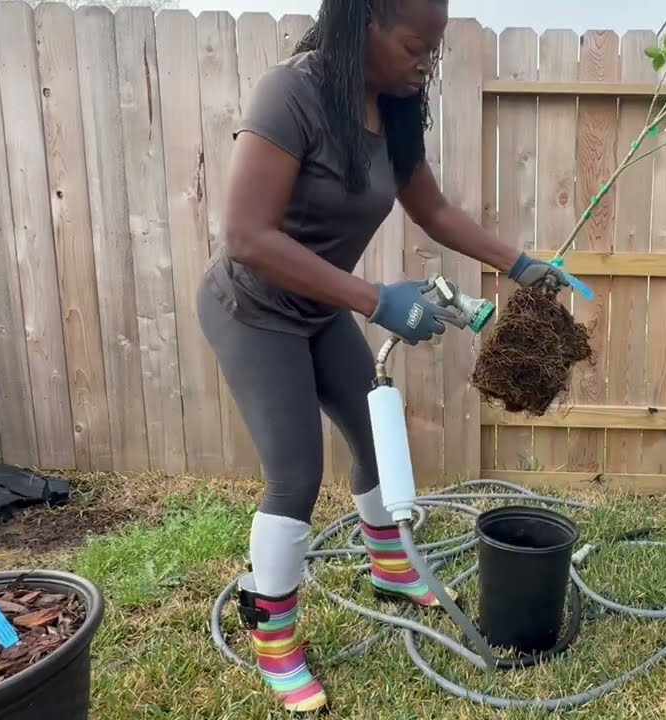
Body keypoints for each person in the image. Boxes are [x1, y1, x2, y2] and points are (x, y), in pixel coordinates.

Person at [196, 0, 565, 713]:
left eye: (434, 49)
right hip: (253, 309)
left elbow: (434, 211)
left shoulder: (395, 105)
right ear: (363, 22)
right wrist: (373, 298)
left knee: (372, 434)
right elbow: (245, 233)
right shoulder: (292, 93)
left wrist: (522, 264)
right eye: (413, 45)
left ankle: (393, 568)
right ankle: (274, 641)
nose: (426, 61)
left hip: (317, 308)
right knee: (296, 476)